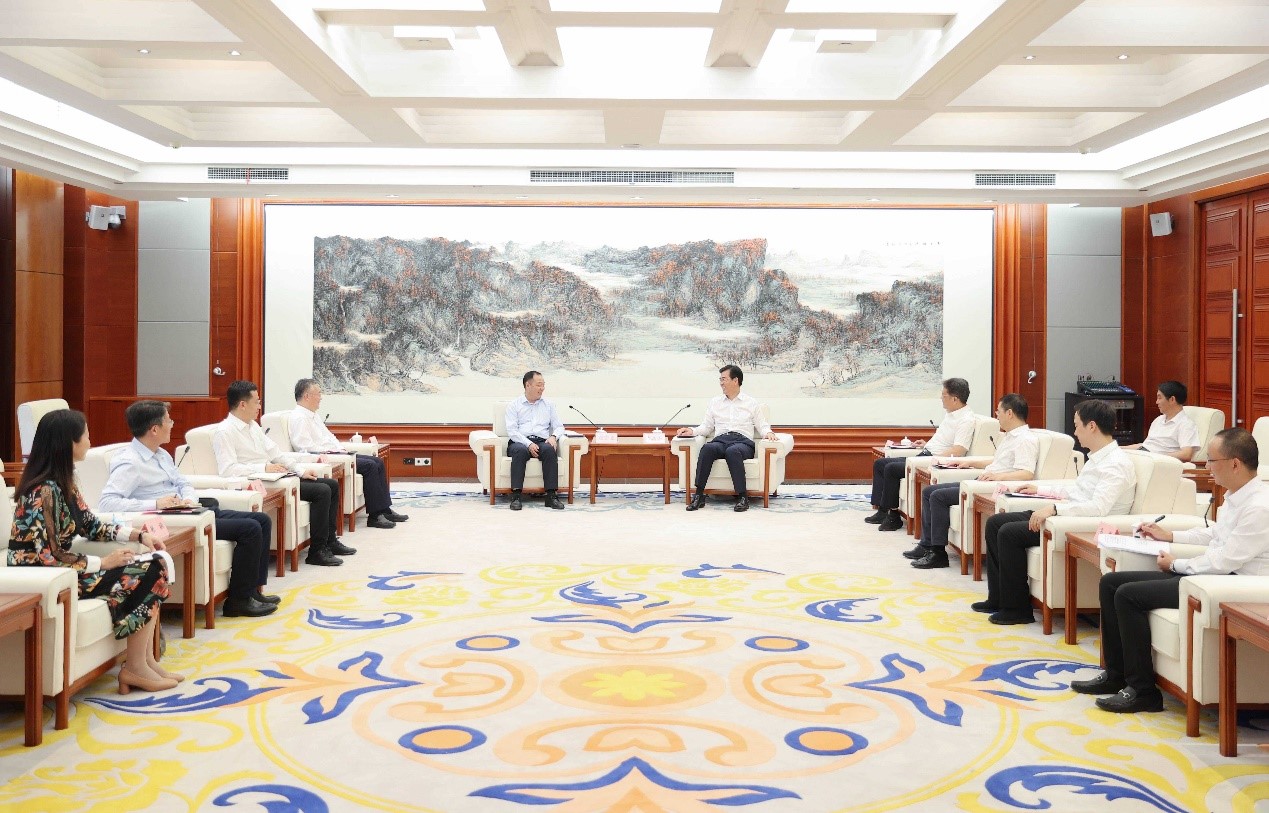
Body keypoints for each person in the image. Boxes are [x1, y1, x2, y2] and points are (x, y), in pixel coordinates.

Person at [1072, 427, 1269, 713]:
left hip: (1226, 584)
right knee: (1111, 583)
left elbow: (1225, 560)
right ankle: (1116, 675)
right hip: (1208, 576)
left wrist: (1175, 564)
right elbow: (1214, 535)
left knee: (1128, 596)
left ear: (1235, 464)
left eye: (1212, 461)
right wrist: (1170, 536)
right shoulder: (1235, 497)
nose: (1207, 466)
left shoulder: (1259, 507)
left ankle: (1143, 691)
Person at [7, 409, 178, 694]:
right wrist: (103, 562)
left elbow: (89, 524)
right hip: (47, 577)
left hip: (65, 570)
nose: (90, 441)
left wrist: (137, 535)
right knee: (145, 573)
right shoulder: (41, 492)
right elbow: (47, 556)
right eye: (86, 435)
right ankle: (135, 668)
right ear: (69, 443)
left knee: (155, 564)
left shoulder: (63, 482)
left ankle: (146, 661)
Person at [99, 400, 278, 618]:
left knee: (261, 520)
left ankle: (253, 592)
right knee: (250, 529)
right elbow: (108, 502)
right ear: (154, 429)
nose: (172, 424)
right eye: (168, 421)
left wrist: (189, 499)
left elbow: (183, 483)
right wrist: (156, 503)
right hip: (173, 519)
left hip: (189, 510)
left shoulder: (161, 454)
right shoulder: (129, 462)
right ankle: (238, 601)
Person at [973, 399, 1135, 625]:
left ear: (1092, 426)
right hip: (1067, 513)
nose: (1075, 432)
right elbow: (1076, 491)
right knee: (996, 523)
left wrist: (1055, 508)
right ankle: (998, 598)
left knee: (1009, 533)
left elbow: (1098, 508)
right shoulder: (1097, 458)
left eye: (1077, 426)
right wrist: (1040, 490)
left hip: (1079, 524)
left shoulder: (1116, 464)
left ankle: (1017, 609)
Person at [210, 380, 353, 566]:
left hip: (274, 476)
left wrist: (300, 470)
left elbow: (275, 452)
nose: (259, 407)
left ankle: (329, 541)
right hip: (256, 480)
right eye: (257, 402)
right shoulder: (224, 431)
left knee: (331, 485)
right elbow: (228, 470)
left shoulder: (253, 426)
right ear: (242, 404)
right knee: (322, 491)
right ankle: (317, 551)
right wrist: (263, 468)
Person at [904, 393, 1039, 569]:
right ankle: (926, 545)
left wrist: (998, 477)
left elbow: (1026, 473)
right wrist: (969, 462)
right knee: (929, 491)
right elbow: (996, 462)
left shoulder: (1025, 440)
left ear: (1010, 413)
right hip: (983, 480)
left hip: (992, 486)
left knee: (938, 497)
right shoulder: (1009, 436)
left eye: (998, 411)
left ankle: (938, 553)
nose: (996, 415)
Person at [288, 378, 408, 530]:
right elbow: (304, 447)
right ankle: (375, 516)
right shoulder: (299, 418)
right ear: (307, 396)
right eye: (318, 393)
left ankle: (385, 510)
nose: (321, 397)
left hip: (338, 453)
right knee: (370, 466)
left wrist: (341, 448)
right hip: (328, 457)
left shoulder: (313, 415)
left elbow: (329, 437)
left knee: (377, 461)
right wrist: (333, 452)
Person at [867, 378, 976, 531]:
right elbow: (943, 440)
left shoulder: (966, 420)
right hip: (926, 453)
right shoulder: (951, 414)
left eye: (943, 395)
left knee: (891, 469)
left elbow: (959, 450)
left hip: (934, 460)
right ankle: (882, 510)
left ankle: (893, 517)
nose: (941, 398)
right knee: (880, 463)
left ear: (955, 399)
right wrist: (926, 444)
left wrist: (935, 457)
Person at [677, 364, 778, 513]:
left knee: (733, 452)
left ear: (735, 380)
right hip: (721, 440)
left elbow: (762, 425)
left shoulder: (751, 403)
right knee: (707, 448)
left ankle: (743, 497)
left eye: (724, 379)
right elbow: (706, 427)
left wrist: (768, 433)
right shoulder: (715, 402)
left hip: (743, 442)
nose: (721, 383)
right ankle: (699, 496)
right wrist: (691, 431)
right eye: (720, 379)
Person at [505, 370, 566, 511]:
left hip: (541, 441)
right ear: (528, 385)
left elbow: (559, 427)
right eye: (539, 385)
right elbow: (512, 431)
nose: (542, 388)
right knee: (520, 451)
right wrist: (529, 444)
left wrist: (553, 436)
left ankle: (551, 496)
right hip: (519, 442)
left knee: (549, 450)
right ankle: (516, 496)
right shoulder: (514, 405)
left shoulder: (548, 405)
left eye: (543, 385)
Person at [1123, 380, 1200, 462]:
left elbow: (1186, 454)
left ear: (1172, 399)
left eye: (1159, 398)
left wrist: (1156, 456)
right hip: (1144, 455)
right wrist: (1119, 448)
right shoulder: (1158, 420)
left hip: (1155, 461)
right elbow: (1147, 445)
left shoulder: (1186, 424)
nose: (1157, 402)